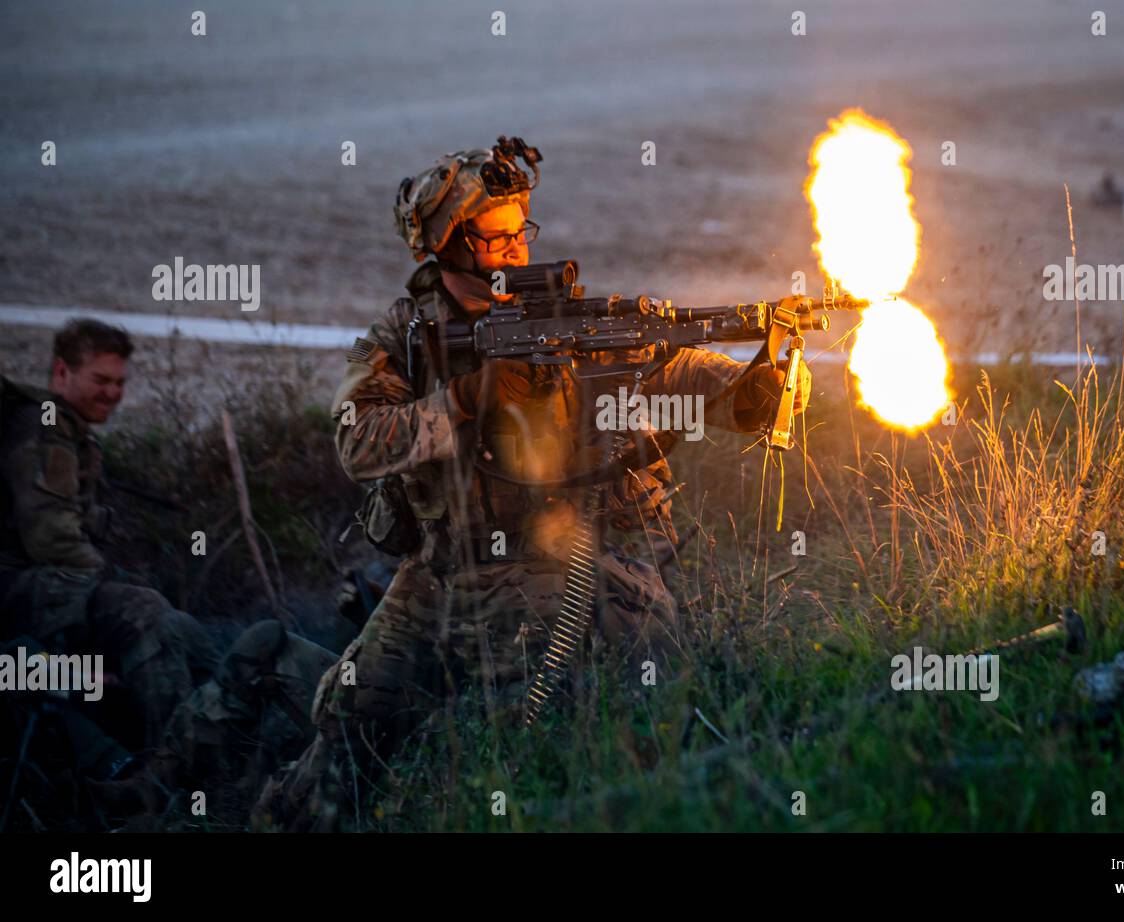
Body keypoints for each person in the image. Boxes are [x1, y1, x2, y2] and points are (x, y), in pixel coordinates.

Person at [256, 137, 810, 830]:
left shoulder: (571, 323)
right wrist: (465, 400)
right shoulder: (405, 338)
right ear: (448, 244)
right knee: (352, 715)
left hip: (555, 562)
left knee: (541, 727)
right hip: (441, 574)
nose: (516, 250)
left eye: (523, 231)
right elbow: (357, 441)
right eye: (496, 238)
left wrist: (751, 388)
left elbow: (676, 367)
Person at [0, 319, 217, 751]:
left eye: (119, 382)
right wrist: (108, 581)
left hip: (45, 586)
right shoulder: (47, 425)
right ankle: (175, 764)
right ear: (61, 372)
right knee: (142, 610)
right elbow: (53, 539)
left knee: (181, 628)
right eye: (100, 380)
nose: (113, 393)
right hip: (19, 589)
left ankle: (214, 748)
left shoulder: (74, 435)